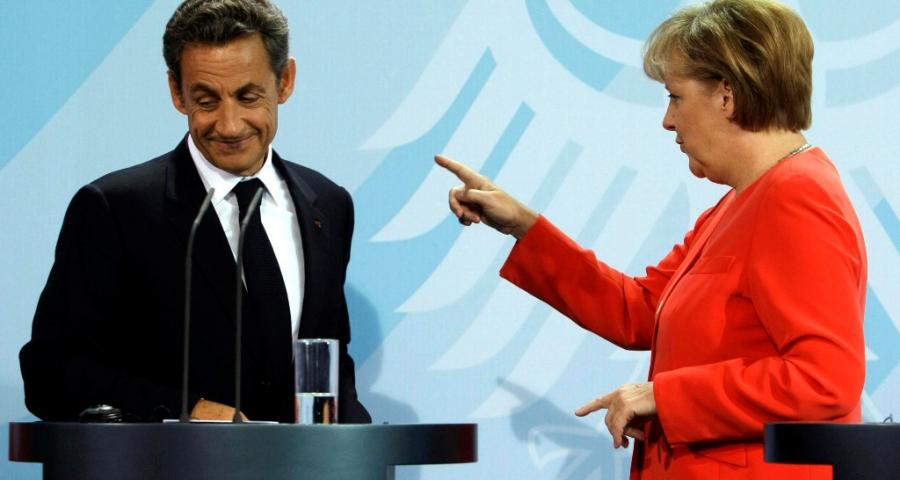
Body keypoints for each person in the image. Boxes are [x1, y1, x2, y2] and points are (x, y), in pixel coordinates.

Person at [436, 0, 866, 478]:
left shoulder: (796, 197)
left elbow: (823, 379)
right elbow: (639, 309)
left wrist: (666, 396)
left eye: (675, 97)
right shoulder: (739, 203)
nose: (667, 120)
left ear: (727, 94)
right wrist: (523, 224)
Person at [20, 0, 370, 424]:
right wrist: (188, 411)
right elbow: (52, 372)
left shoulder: (327, 204)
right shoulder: (116, 209)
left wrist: (358, 442)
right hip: (169, 458)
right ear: (176, 91)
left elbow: (331, 362)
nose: (229, 125)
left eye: (248, 97)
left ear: (285, 81)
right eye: (206, 101)